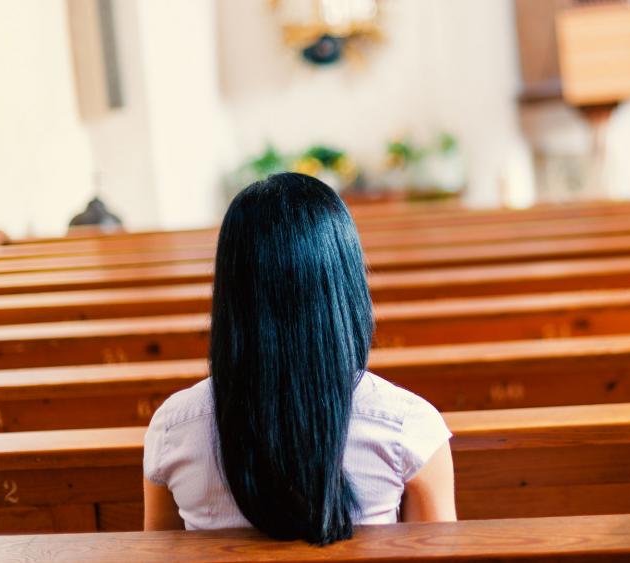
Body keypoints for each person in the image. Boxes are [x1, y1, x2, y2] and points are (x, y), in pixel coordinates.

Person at [143, 173, 456, 544]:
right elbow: (439, 554)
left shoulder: (173, 429)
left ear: (230, 293)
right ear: (346, 286)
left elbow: (157, 552)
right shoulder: (409, 428)